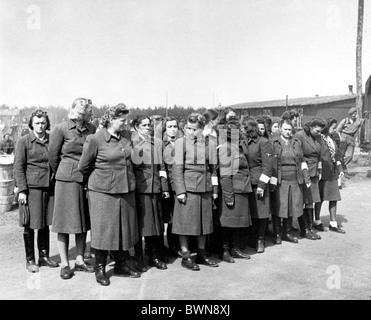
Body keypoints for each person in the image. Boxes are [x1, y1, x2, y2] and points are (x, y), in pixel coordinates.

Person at [79, 104, 140, 286]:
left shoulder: (127, 137)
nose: (125, 123)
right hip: (102, 192)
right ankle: (100, 268)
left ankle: (121, 265)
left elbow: (134, 159)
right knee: (103, 230)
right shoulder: (95, 139)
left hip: (126, 188)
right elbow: (84, 166)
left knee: (123, 228)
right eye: (122, 120)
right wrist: (101, 180)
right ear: (111, 120)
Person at [49, 98, 96, 280]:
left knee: (83, 221)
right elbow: (53, 156)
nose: (91, 113)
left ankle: (79, 260)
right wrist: (62, 172)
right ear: (80, 111)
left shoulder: (91, 129)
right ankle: (64, 264)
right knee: (63, 222)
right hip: (66, 180)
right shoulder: (61, 129)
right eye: (89, 110)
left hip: (86, 179)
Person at [14, 110, 59, 273]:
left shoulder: (51, 140)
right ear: (31, 124)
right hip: (31, 189)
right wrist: (22, 190)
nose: (40, 126)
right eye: (37, 123)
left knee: (44, 223)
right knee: (30, 224)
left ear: (47, 123)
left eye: (43, 122)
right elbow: (18, 167)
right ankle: (30, 259)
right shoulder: (24, 141)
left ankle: (44, 256)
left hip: (49, 187)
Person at [172, 113, 219, 271]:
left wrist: (215, 189)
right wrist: (180, 191)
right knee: (185, 224)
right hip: (188, 189)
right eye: (188, 128)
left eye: (194, 129)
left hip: (205, 188)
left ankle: (201, 254)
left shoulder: (210, 144)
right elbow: (177, 170)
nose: (190, 132)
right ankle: (186, 256)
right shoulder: (181, 143)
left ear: (202, 129)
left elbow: (213, 169)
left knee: (204, 223)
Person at [132, 115, 169, 271]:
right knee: (140, 225)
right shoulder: (132, 143)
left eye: (149, 125)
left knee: (154, 224)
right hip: (140, 189)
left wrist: (165, 187)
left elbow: (162, 168)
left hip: (155, 188)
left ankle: (153, 255)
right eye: (144, 125)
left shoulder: (157, 143)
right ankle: (138, 257)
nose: (148, 128)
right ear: (136, 127)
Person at [271, 120, 311, 244]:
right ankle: (277, 233)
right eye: (285, 129)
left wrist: (306, 177)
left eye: (290, 129)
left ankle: (286, 232)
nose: (288, 132)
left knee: (291, 206)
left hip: (295, 178)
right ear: (280, 130)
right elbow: (271, 163)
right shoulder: (274, 142)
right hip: (280, 179)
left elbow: (303, 161)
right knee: (279, 206)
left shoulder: (297, 142)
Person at [217, 119, 252, 262]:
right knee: (227, 223)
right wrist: (229, 197)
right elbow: (225, 176)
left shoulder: (238, 147)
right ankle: (225, 251)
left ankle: (235, 249)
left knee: (237, 223)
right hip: (233, 191)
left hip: (242, 190)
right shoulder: (226, 149)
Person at [241, 117, 273, 253]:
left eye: (244, 128)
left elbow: (268, 167)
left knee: (262, 213)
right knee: (251, 213)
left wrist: (262, 185)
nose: (242, 130)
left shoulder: (264, 143)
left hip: (259, 183)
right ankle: (251, 238)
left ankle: (260, 240)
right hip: (247, 182)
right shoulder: (244, 142)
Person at [294, 117, 326, 240]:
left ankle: (310, 228)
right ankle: (304, 229)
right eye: (317, 131)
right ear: (311, 127)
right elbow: (298, 156)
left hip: (314, 172)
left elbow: (320, 154)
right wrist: (305, 171)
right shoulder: (300, 135)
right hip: (303, 171)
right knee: (303, 200)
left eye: (321, 131)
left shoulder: (318, 137)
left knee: (310, 201)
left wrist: (319, 168)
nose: (320, 133)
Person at [314, 118, 345, 233]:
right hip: (322, 173)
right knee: (320, 198)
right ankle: (317, 221)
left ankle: (333, 223)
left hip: (332, 173)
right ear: (327, 127)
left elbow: (336, 157)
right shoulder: (319, 139)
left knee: (334, 198)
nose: (335, 129)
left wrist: (340, 168)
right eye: (333, 127)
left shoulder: (331, 139)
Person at [162, 116, 183, 257]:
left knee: (179, 216)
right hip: (168, 184)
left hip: (180, 183)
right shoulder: (161, 144)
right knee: (169, 216)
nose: (172, 129)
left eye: (175, 126)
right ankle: (170, 245)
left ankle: (177, 244)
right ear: (165, 128)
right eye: (169, 127)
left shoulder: (183, 142)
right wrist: (164, 187)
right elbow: (161, 167)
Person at [336, 107, 369, 175]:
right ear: (350, 115)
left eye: (355, 113)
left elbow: (364, 120)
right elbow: (337, 130)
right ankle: (341, 170)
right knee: (341, 155)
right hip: (343, 137)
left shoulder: (358, 121)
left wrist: (365, 115)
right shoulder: (345, 120)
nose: (354, 115)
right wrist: (340, 137)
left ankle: (340, 167)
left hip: (351, 138)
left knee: (349, 156)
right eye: (352, 114)